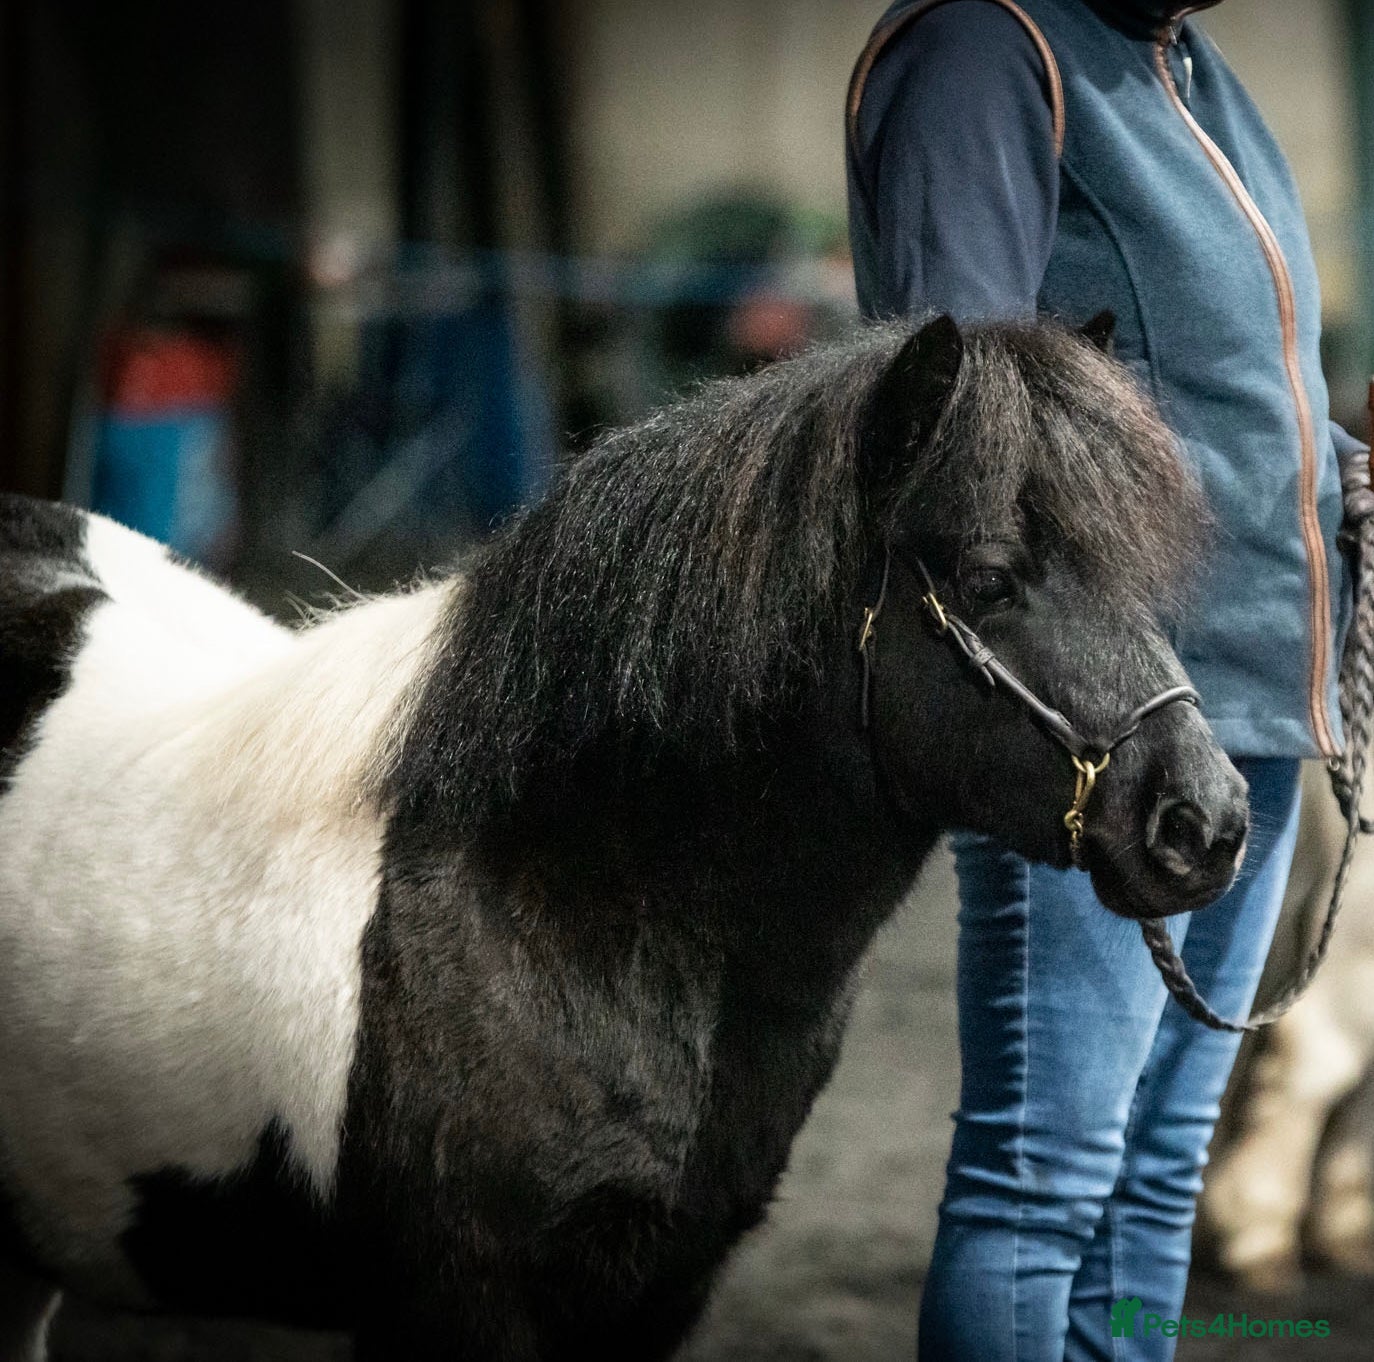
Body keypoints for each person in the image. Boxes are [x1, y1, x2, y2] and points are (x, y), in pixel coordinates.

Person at [845, 2, 1367, 1359]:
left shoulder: (1183, 68)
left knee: (1152, 1173)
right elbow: (954, 400)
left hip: (1244, 696)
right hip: (1102, 722)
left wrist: (1332, 478)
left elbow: (1228, 380)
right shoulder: (984, 47)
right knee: (1042, 1181)